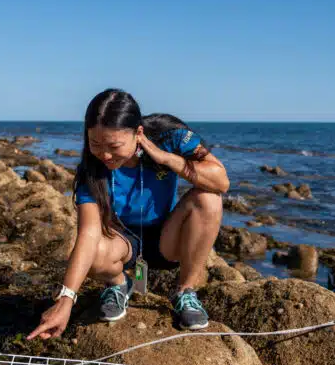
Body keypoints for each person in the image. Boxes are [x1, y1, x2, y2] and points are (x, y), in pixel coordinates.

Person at [28, 89, 228, 340]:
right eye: (95, 144)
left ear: (138, 133)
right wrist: (66, 300)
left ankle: (186, 291)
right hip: (122, 242)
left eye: (114, 146)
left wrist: (166, 159)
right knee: (94, 252)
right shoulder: (91, 171)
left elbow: (221, 181)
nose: (105, 155)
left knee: (209, 198)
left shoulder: (171, 136)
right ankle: (118, 284)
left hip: (168, 237)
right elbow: (89, 233)